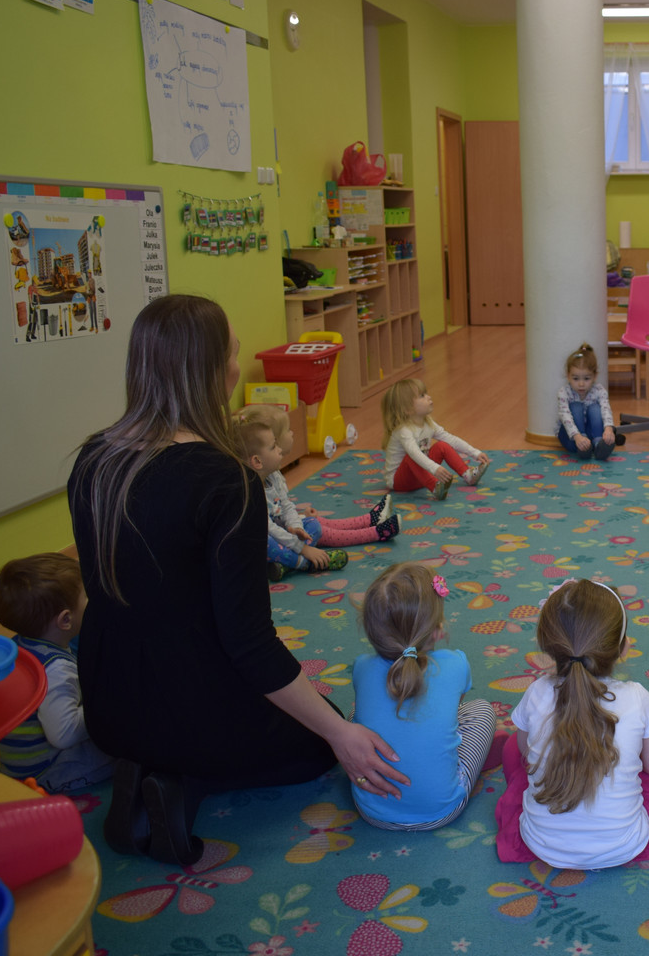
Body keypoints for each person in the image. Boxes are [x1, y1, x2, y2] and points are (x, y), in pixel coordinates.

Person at [68, 294, 408, 866]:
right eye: (231, 354)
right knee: (317, 740)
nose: (236, 365)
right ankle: (179, 784)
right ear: (207, 371)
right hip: (192, 711)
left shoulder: (94, 459)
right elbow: (249, 644)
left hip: (107, 707)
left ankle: (150, 766)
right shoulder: (225, 481)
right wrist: (337, 733)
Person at [494, 578, 649, 869]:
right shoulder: (637, 697)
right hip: (623, 843)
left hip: (541, 842)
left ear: (549, 646)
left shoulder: (536, 692)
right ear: (623, 648)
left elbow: (524, 750)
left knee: (512, 747)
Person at [350, 562, 501, 830]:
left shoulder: (361, 666)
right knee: (482, 709)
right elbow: (455, 711)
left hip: (372, 810)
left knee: (354, 716)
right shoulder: (455, 663)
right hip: (441, 811)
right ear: (437, 629)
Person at [0, 553, 114, 793]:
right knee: (124, 745)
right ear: (65, 619)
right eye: (85, 597)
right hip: (44, 771)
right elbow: (64, 734)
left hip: (14, 762)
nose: (89, 601)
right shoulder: (55, 669)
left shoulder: (18, 647)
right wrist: (104, 707)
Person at [232, 406, 400, 581]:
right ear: (257, 460)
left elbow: (286, 506)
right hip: (269, 542)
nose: (291, 434)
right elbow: (270, 530)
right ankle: (306, 563)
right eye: (274, 446)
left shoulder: (273, 476)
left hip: (284, 535)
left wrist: (296, 527)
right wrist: (303, 548)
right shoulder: (251, 492)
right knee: (269, 541)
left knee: (313, 525)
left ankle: (286, 565)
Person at [381, 377, 490, 501]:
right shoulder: (404, 430)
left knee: (442, 445)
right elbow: (414, 454)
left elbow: (451, 439)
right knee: (412, 456)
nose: (429, 397)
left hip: (421, 476)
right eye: (422, 396)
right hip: (400, 483)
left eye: (426, 393)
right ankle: (434, 487)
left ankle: (468, 475)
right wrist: (435, 469)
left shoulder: (428, 423)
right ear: (407, 409)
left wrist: (475, 453)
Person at [556, 342, 616, 460]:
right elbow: (565, 417)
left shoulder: (599, 390)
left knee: (595, 408)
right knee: (575, 406)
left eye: (587, 378)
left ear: (595, 376)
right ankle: (583, 447)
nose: (581, 384)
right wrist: (578, 437)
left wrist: (609, 429)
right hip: (571, 437)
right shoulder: (564, 393)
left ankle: (598, 445)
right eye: (576, 378)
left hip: (591, 436)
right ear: (568, 376)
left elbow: (606, 410)